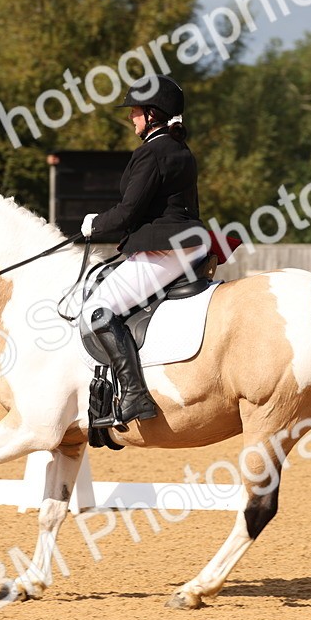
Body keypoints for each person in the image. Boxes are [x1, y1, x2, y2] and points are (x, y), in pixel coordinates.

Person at [79, 74, 207, 426]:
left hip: (164, 251)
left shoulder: (152, 152)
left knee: (98, 309)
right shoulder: (180, 149)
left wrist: (94, 224)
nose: (131, 117)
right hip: (189, 245)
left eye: (135, 111)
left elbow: (128, 212)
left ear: (153, 114)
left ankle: (135, 394)